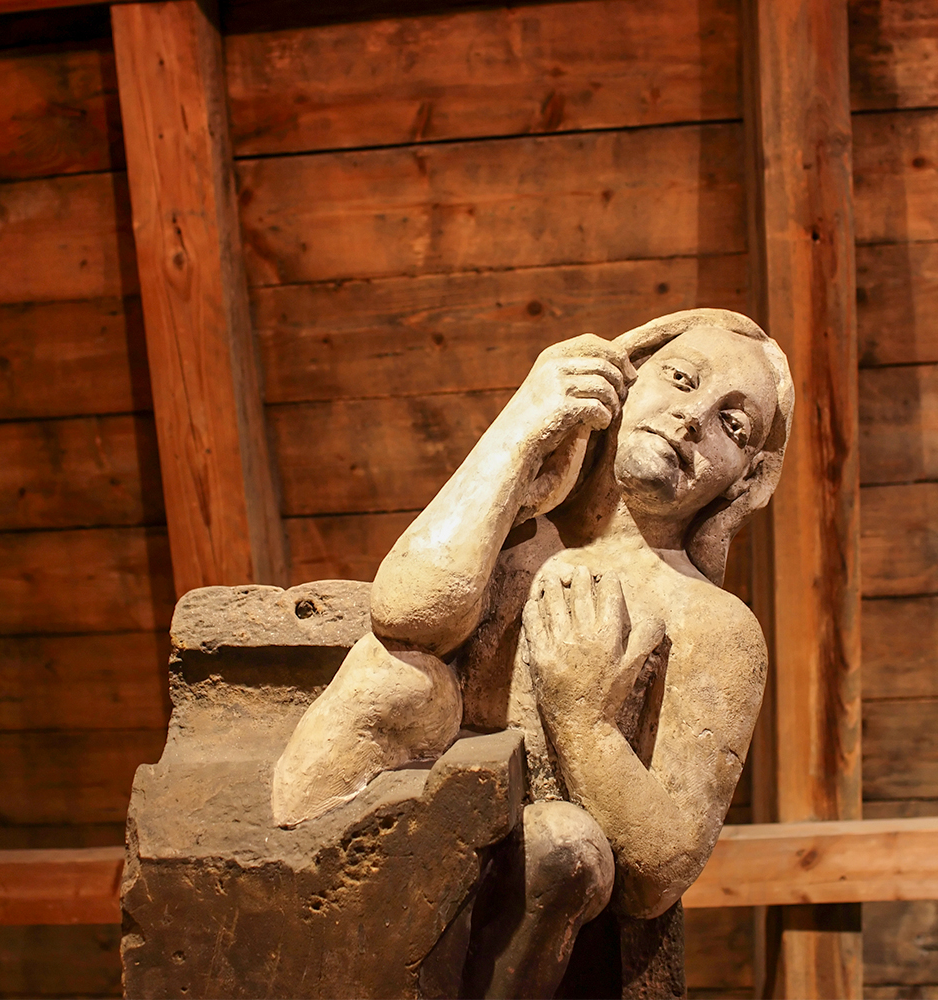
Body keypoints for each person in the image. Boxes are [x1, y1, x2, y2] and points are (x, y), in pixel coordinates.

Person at [273, 308, 793, 997]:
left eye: (733, 425)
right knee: (394, 681)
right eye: (680, 379)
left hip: (535, 927)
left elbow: (660, 873)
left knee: (564, 843)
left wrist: (585, 721)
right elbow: (405, 613)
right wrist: (520, 430)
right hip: (397, 858)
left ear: (745, 479)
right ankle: (283, 920)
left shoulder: (714, 625)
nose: (692, 418)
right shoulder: (519, 536)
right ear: (625, 381)